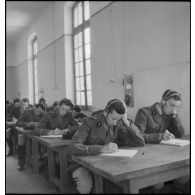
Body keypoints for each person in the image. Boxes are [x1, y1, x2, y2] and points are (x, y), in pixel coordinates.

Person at [68, 99, 145, 194]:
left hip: (106, 164)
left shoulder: (118, 123)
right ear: (105, 113)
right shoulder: (89, 122)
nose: (115, 123)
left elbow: (139, 142)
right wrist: (100, 149)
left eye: (119, 119)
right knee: (86, 186)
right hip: (83, 164)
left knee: (119, 185)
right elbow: (73, 146)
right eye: (113, 119)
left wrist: (125, 120)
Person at [135, 89, 187, 192]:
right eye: (172, 105)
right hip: (145, 155)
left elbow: (180, 134)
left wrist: (175, 115)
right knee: (158, 183)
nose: (174, 109)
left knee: (184, 176)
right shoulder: (144, 112)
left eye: (177, 107)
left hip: (162, 154)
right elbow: (138, 137)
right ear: (163, 102)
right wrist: (160, 136)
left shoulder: (169, 114)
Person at [16, 103, 46, 170]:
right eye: (37, 111)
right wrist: (28, 123)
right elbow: (18, 123)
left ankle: (41, 161)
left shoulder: (43, 114)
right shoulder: (27, 112)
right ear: (35, 107)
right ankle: (21, 162)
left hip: (37, 134)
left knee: (45, 140)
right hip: (25, 132)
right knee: (21, 138)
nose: (38, 114)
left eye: (40, 112)